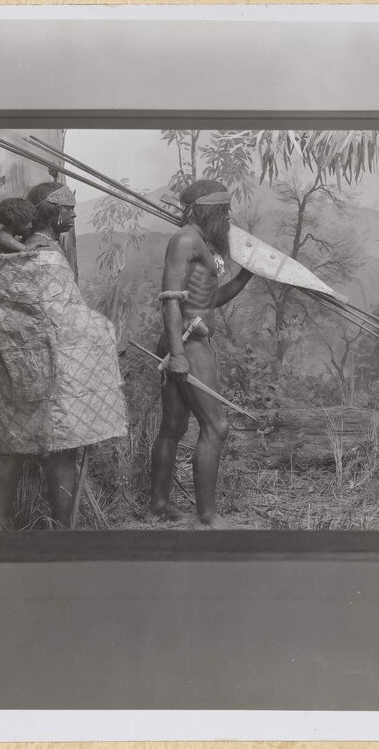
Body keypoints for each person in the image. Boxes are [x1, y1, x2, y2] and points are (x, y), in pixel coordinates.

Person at [0, 181, 127, 528]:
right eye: (68, 207)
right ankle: (61, 529)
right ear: (52, 212)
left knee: (11, 446)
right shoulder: (48, 256)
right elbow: (62, 315)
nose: (73, 213)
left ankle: (1, 523)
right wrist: (103, 330)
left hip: (18, 367)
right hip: (52, 370)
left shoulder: (21, 250)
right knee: (61, 450)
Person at [148, 179, 253, 529]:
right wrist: (178, 355)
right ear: (206, 211)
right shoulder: (186, 239)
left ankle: (158, 505)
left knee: (174, 426)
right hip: (187, 343)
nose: (227, 218)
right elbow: (171, 299)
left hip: (187, 340)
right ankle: (207, 517)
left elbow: (208, 300)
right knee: (216, 426)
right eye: (223, 212)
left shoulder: (203, 243)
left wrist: (245, 277)